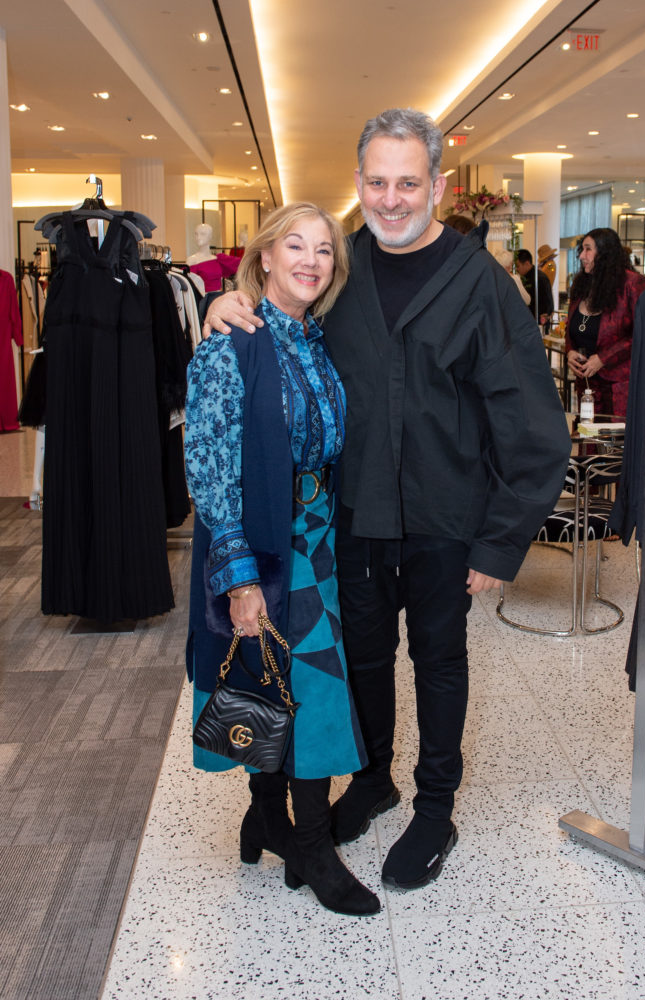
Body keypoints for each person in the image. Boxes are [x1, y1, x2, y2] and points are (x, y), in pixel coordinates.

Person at [205, 107, 571, 891]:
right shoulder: (338, 270)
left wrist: (501, 542)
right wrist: (226, 309)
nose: (393, 198)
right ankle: (373, 780)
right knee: (362, 661)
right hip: (351, 522)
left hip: (448, 525)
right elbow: (279, 325)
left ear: (438, 184)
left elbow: (536, 427)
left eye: (409, 182)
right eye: (378, 181)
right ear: (359, 182)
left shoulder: (482, 283)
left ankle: (436, 806)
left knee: (439, 662)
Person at [184, 202, 379, 917]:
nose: (309, 259)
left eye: (323, 250)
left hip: (319, 534)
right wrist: (238, 577)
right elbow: (206, 465)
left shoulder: (318, 341)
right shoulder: (228, 343)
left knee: (292, 684)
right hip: (263, 537)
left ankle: (268, 818)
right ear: (264, 256)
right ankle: (311, 844)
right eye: (294, 245)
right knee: (294, 685)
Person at [565, 227, 645, 417]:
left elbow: (644, 334)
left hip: (619, 386)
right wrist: (570, 351)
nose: (581, 256)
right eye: (582, 250)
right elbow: (572, 328)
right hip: (587, 386)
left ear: (605, 252)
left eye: (588, 249)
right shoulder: (582, 286)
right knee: (589, 441)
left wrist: (603, 358)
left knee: (616, 444)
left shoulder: (632, 284)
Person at [186, 222, 240, 292]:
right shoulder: (192, 260)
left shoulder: (219, 259)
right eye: (196, 234)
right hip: (203, 299)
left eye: (202, 234)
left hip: (218, 297)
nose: (198, 237)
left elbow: (241, 264)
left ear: (210, 236)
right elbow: (189, 287)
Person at [516, 248, 554, 327]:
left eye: (518, 266)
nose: (517, 269)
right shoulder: (525, 277)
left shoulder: (539, 278)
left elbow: (547, 304)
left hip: (538, 323)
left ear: (526, 264)